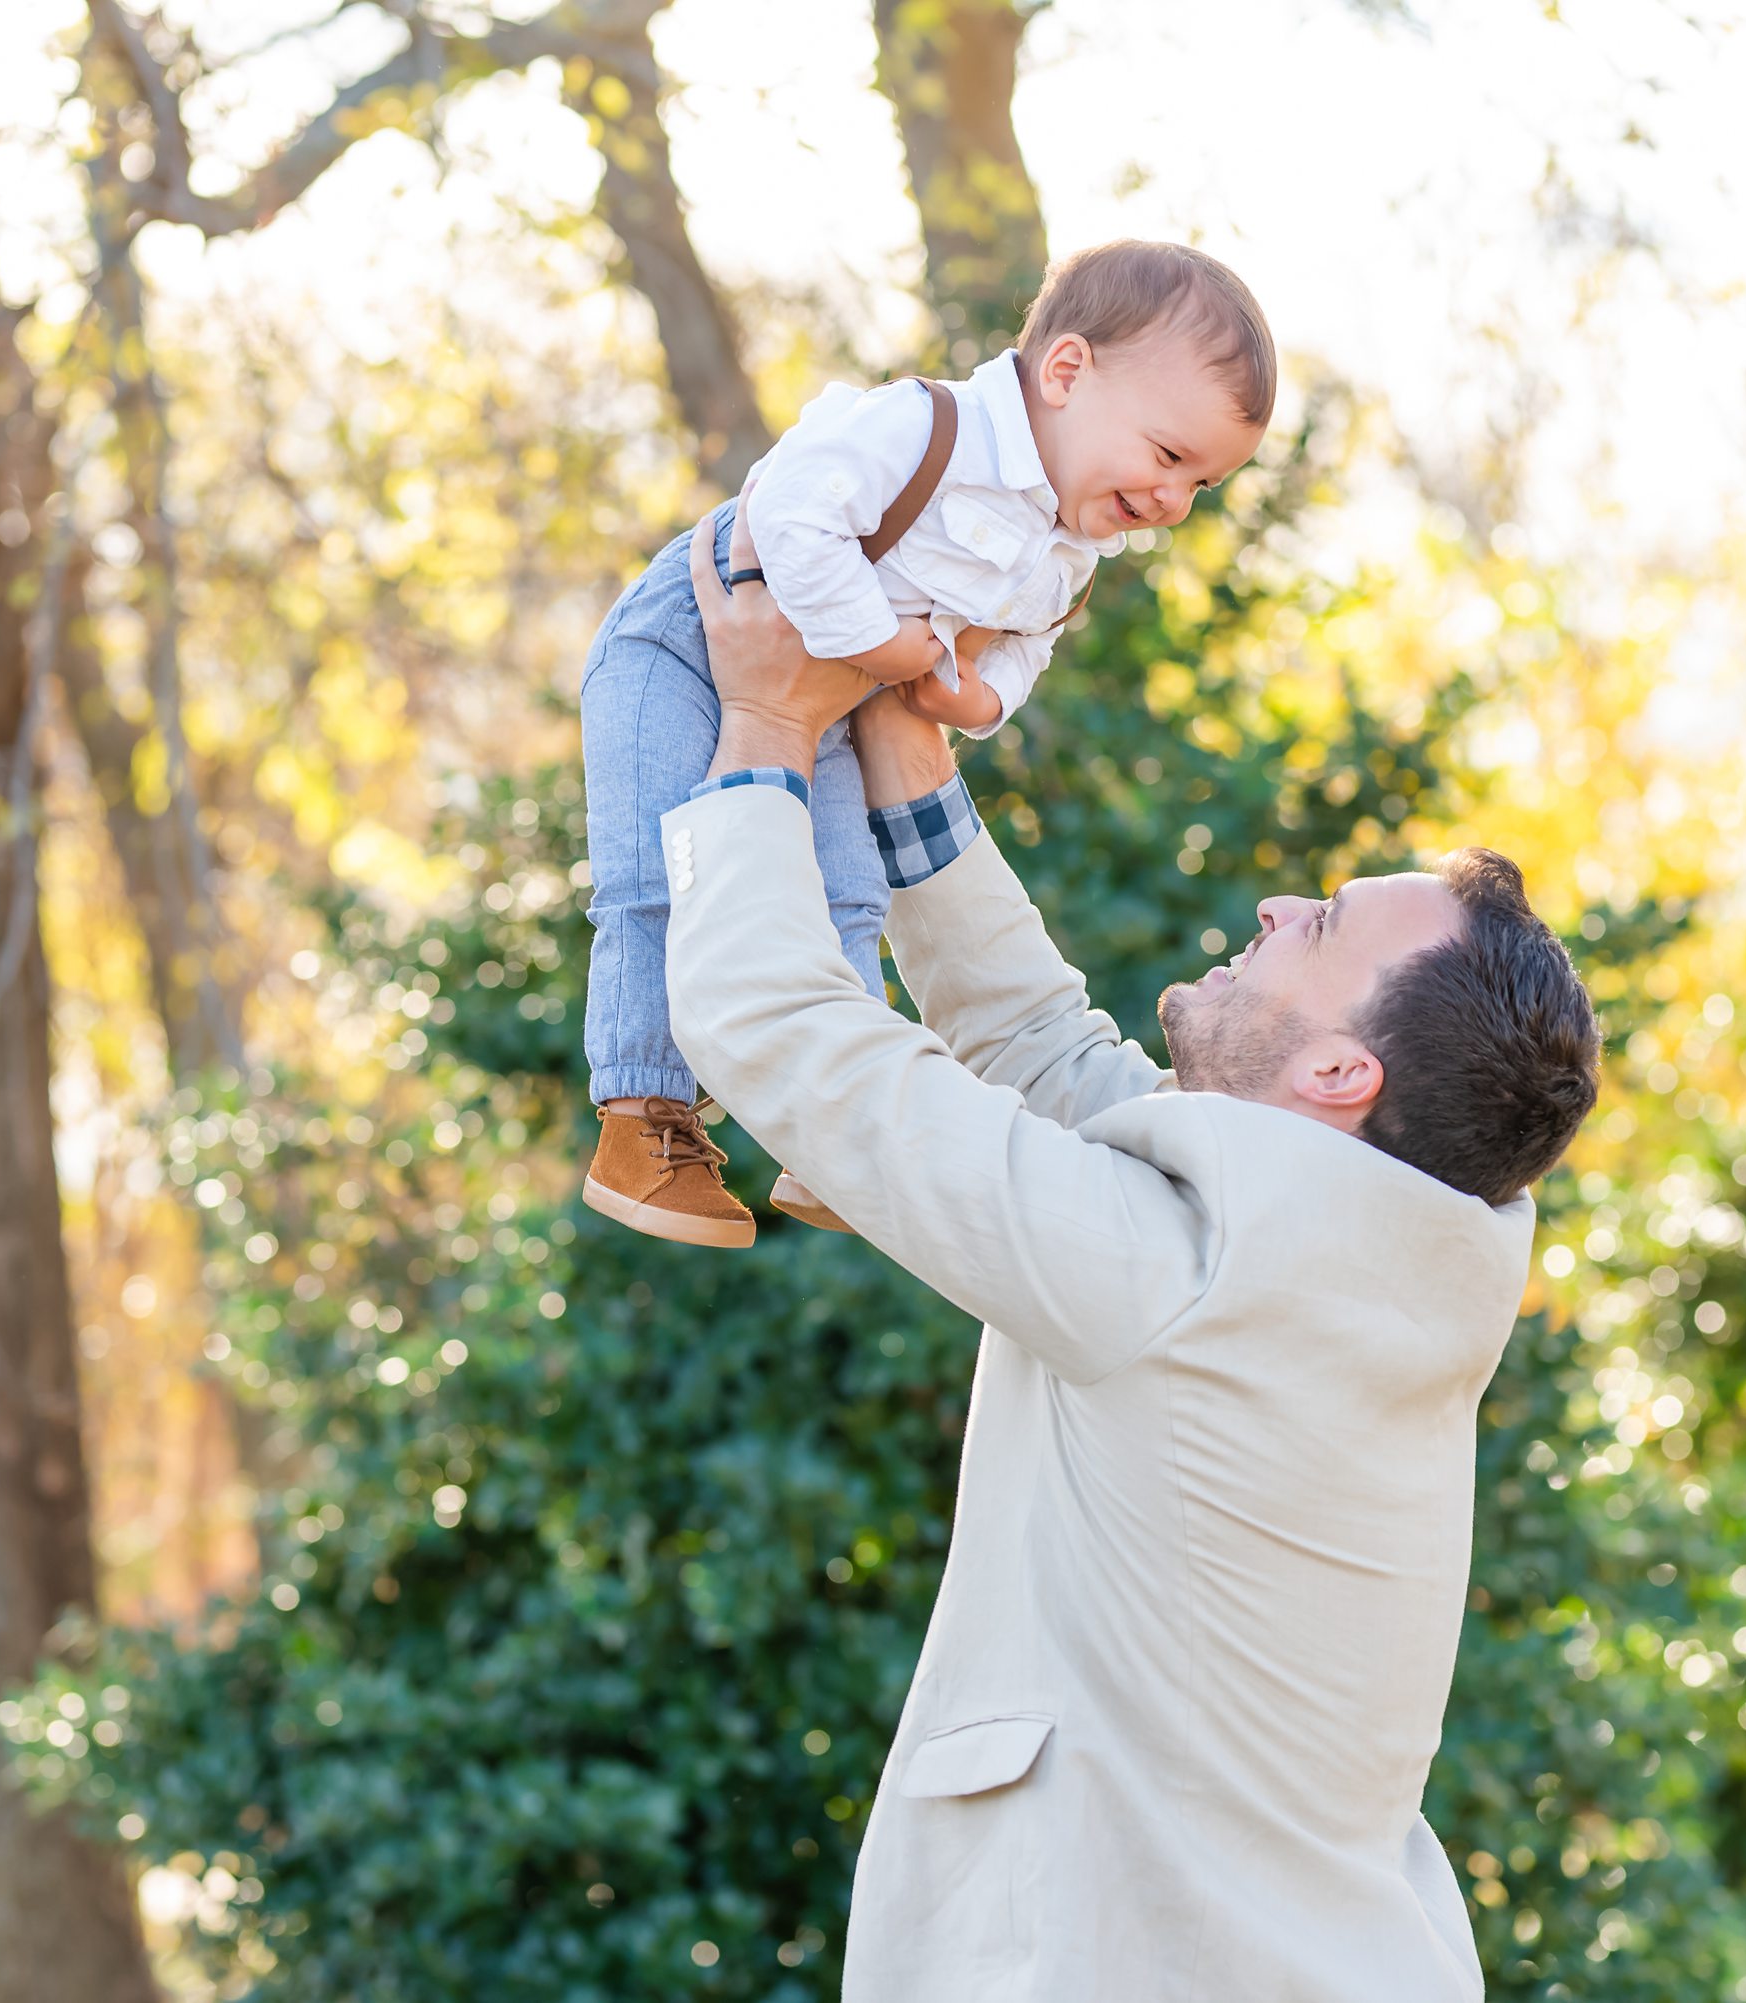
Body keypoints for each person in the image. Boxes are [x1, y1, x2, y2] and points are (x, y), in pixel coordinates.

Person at [654, 522, 1603, 2000]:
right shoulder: (1354, 1251)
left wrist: (770, 730)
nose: (1285, 906)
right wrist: (910, 762)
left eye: (1329, 923)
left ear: (1342, 1069)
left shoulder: (1184, 1276)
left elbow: (782, 1032)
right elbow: (1049, 1058)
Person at [578, 241, 1275, 1249]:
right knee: (653, 876)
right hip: (692, 636)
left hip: (831, 696)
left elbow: (1025, 650)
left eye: (1201, 485)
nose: (1171, 501)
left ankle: (834, 1130)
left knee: (848, 890)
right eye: (1168, 456)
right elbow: (790, 505)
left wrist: (977, 697)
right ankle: (645, 1118)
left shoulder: (1068, 554)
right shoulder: (926, 427)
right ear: (1068, 372)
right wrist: (879, 639)